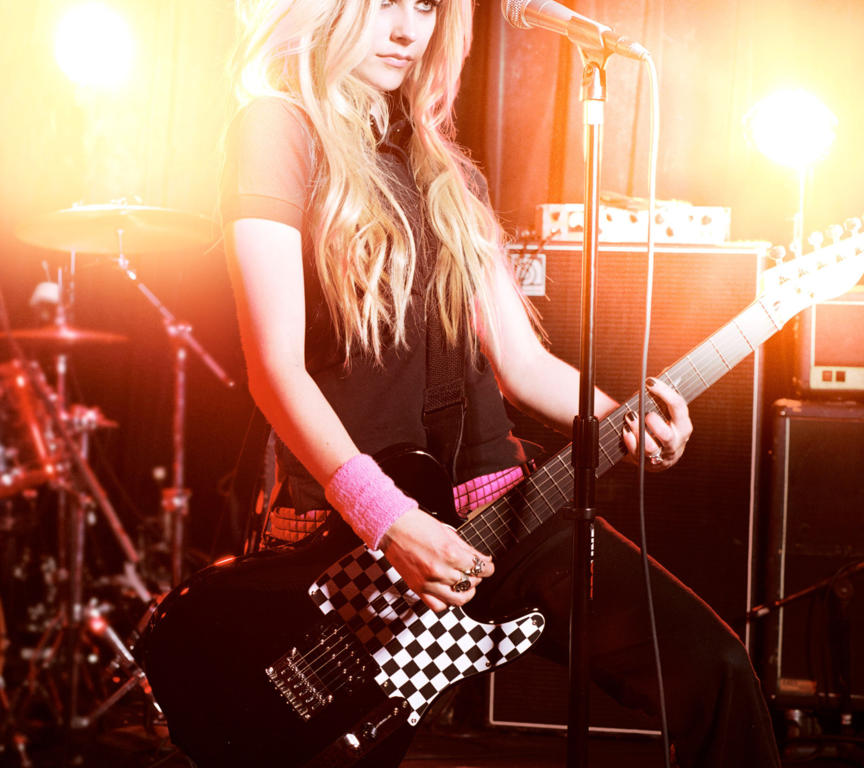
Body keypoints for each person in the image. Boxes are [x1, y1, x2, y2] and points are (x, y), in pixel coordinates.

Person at [220, 1, 781, 766]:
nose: (407, 29)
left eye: (426, 5)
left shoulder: (446, 171)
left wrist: (625, 416)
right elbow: (274, 369)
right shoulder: (276, 130)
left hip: (503, 516)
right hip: (357, 538)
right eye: (384, 3)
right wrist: (389, 520)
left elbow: (521, 364)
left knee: (716, 672)